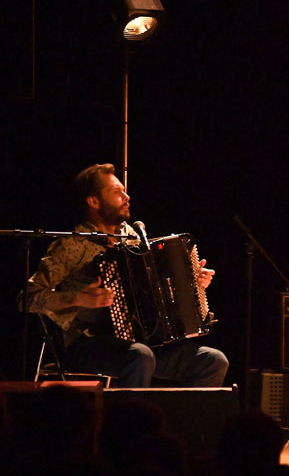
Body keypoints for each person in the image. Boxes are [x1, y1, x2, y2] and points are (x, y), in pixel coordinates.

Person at [22, 163, 228, 387]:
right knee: (140, 356)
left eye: (124, 191)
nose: (126, 197)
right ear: (94, 201)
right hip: (85, 344)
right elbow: (27, 298)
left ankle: (180, 413)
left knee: (213, 361)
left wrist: (192, 283)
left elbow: (155, 287)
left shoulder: (131, 236)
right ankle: (127, 411)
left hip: (138, 344)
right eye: (116, 192)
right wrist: (78, 298)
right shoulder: (72, 245)